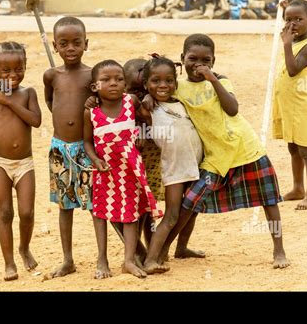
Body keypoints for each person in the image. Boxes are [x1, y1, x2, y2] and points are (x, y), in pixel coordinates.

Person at [143, 34, 290, 269]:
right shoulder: (178, 87)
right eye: (192, 58)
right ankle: (166, 251)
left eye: (205, 60)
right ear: (182, 58)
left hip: (246, 148)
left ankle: (279, 251)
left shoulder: (221, 81)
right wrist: (147, 97)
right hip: (215, 156)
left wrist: (213, 79)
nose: (198, 64)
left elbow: (232, 109)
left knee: (268, 200)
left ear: (213, 62)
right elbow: (160, 88)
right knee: (190, 202)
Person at [86, 58, 204, 263]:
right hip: (125, 164)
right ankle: (140, 253)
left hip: (152, 159)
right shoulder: (110, 106)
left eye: (139, 91)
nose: (136, 95)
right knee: (135, 209)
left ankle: (153, 250)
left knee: (150, 208)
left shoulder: (154, 102)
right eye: (134, 90)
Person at [83, 59, 163, 278]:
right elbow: (87, 142)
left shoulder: (131, 102)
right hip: (104, 170)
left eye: (119, 79)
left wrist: (142, 134)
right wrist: (94, 160)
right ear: (94, 87)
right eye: (106, 80)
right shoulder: (91, 112)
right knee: (100, 213)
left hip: (130, 170)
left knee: (131, 214)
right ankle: (102, 259)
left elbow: (146, 116)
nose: (114, 83)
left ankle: (128, 260)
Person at [0, 41, 41, 280]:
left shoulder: (28, 93)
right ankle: (9, 262)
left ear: (25, 66)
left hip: (25, 163)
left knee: (27, 212)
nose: (13, 75)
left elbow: (36, 121)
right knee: (5, 212)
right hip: (0, 162)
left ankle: (24, 248)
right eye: (6, 70)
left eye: (19, 68)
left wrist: (10, 101)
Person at [138, 55, 204, 274]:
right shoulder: (148, 108)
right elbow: (128, 95)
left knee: (192, 210)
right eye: (155, 81)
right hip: (175, 168)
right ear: (146, 83)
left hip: (195, 164)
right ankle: (151, 259)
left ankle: (181, 248)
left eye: (168, 80)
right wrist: (146, 95)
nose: (163, 85)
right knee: (171, 215)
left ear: (176, 82)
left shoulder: (181, 102)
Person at [43, 16, 94, 279]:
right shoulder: (51, 75)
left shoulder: (92, 75)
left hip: (88, 149)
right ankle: (67, 260)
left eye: (76, 42)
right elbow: (51, 103)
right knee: (65, 206)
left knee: (98, 204)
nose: (70, 48)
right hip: (60, 149)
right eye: (64, 43)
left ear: (87, 43)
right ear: (55, 46)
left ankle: (104, 258)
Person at [273, 0, 307, 210]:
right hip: (288, 105)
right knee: (292, 147)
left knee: (306, 151)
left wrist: (285, 43)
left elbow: (293, 70)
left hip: (301, 107)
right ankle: (298, 187)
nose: (293, 24)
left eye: (299, 20)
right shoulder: (293, 40)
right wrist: (286, 9)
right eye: (288, 20)